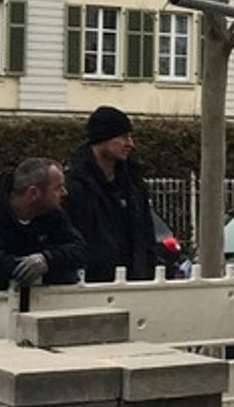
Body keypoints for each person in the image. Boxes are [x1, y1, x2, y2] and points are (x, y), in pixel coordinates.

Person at [62, 105, 163, 282]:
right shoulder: (72, 186)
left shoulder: (133, 184)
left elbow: (146, 235)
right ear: (103, 138)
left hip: (132, 283)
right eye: (124, 137)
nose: (130, 144)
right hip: (90, 286)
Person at [0, 157, 86, 292]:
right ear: (34, 193)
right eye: (58, 188)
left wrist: (48, 259)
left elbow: (79, 250)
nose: (64, 193)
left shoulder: (53, 215)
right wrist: (45, 268)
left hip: (44, 305)